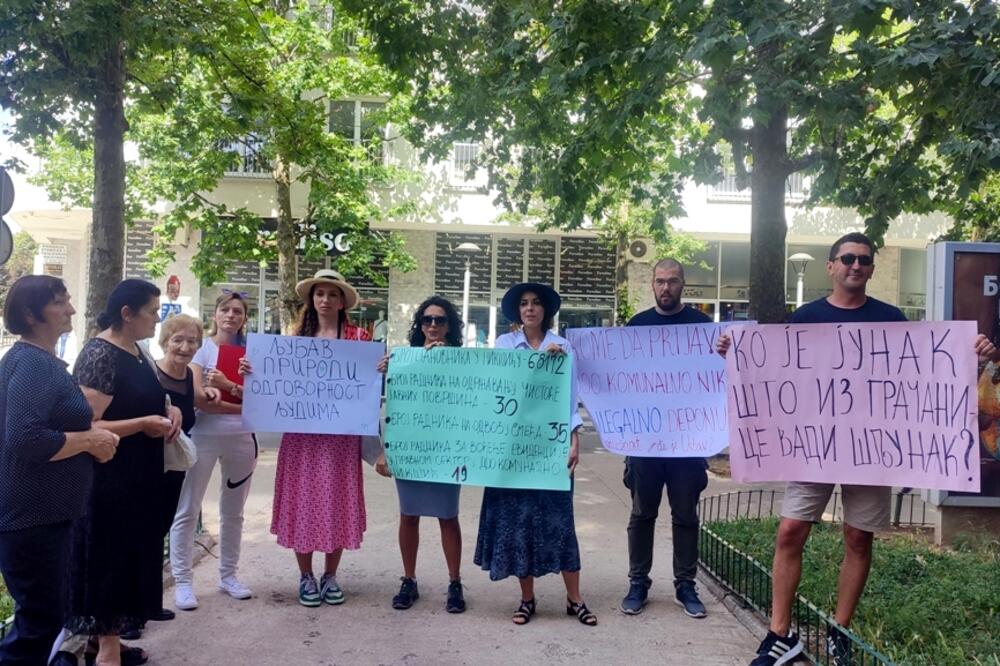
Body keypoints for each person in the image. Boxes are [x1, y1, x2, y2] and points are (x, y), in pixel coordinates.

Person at [717, 232, 998, 666]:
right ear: (830, 266)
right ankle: (779, 634)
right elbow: (773, 370)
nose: (856, 265)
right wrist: (735, 354)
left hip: (870, 447)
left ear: (871, 268)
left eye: (864, 260)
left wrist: (973, 356)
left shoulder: (892, 319)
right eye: (847, 258)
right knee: (790, 530)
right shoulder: (804, 317)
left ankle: (840, 632)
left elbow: (925, 376)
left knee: (858, 537)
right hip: (813, 445)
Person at [0, 276, 118, 665]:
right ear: (31, 315)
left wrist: (89, 439)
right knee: (38, 625)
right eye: (59, 303)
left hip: (46, 516)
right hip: (33, 519)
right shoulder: (33, 365)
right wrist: (89, 441)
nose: (70, 309)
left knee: (44, 621)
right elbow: (27, 439)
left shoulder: (40, 361)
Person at [69, 279, 183, 666]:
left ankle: (104, 644)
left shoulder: (136, 350)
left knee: (130, 556)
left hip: (141, 475)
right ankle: (107, 653)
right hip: (111, 480)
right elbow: (88, 425)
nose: (157, 318)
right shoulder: (99, 355)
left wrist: (170, 411)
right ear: (127, 313)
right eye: (152, 311)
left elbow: (149, 396)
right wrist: (141, 425)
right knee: (110, 559)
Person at [473, 282, 596, 627]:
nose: (530, 309)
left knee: (561, 521)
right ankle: (527, 599)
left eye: (536, 303)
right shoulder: (504, 345)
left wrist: (575, 440)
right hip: (513, 450)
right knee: (518, 523)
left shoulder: (563, 347)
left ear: (545, 310)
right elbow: (499, 390)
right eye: (524, 304)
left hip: (550, 447)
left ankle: (575, 599)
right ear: (517, 311)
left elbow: (570, 399)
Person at [246, 269, 370, 607]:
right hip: (302, 437)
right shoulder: (293, 340)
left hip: (340, 439)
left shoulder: (359, 340)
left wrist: (380, 369)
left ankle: (331, 574)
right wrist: (252, 370)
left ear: (342, 300)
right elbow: (274, 382)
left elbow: (367, 384)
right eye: (320, 294)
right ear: (311, 299)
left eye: (332, 294)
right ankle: (305, 575)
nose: (325, 300)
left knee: (337, 500)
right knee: (304, 500)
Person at [620, 258, 712, 619]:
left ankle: (685, 584)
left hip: (688, 441)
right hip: (645, 440)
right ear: (652, 285)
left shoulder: (702, 327)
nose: (666, 288)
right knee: (642, 513)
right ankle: (638, 582)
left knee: (686, 515)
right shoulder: (637, 326)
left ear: (683, 284)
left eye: (673, 281)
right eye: (660, 281)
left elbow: (718, 378)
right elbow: (620, 379)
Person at [374, 296, 466, 613]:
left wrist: (448, 362)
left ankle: (454, 583)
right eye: (427, 320)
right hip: (411, 449)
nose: (433, 326)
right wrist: (385, 370)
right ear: (420, 325)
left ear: (449, 326)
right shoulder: (404, 360)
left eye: (440, 320)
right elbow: (393, 410)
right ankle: (409, 580)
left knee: (447, 517)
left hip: (446, 450)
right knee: (409, 515)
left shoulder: (464, 362)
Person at [170, 291, 257, 611]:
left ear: (244, 317)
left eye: (238, 311)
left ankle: (228, 576)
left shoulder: (252, 352)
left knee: (233, 512)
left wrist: (228, 388)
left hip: (243, 440)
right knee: (188, 509)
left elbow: (265, 401)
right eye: (225, 309)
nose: (231, 315)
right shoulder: (201, 349)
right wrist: (242, 403)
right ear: (215, 314)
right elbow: (197, 398)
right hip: (203, 436)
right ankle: (182, 582)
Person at [153, 315, 221, 621]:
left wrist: (212, 392)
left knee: (158, 530)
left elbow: (197, 399)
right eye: (178, 340)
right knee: (140, 534)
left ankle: (148, 601)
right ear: (165, 341)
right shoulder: (152, 373)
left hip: (175, 463)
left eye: (192, 341)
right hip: (147, 465)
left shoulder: (186, 377)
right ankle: (125, 617)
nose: (185, 347)